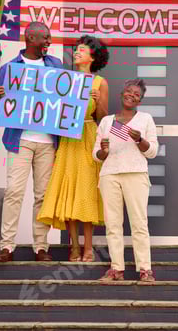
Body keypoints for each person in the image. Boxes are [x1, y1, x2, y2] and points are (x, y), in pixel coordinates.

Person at [0, 22, 63, 262]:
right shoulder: (10, 68)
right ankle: (7, 247)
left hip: (47, 142)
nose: (49, 42)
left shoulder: (55, 65)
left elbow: (65, 98)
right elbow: (2, 106)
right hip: (19, 140)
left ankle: (41, 247)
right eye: (45, 38)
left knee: (42, 195)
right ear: (31, 38)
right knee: (14, 192)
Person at [37, 35, 109, 262]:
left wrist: (97, 101)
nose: (76, 52)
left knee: (87, 191)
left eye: (81, 49)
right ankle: (74, 247)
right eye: (76, 49)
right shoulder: (63, 79)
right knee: (69, 191)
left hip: (88, 137)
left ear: (93, 56)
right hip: (68, 140)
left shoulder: (100, 82)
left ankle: (88, 247)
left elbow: (102, 118)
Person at [93, 78, 158, 282]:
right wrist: (103, 151)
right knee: (113, 224)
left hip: (136, 174)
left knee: (139, 223)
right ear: (121, 94)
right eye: (128, 91)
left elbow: (153, 152)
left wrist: (139, 140)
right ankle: (116, 269)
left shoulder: (145, 119)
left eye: (136, 94)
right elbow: (96, 154)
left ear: (140, 101)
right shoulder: (107, 121)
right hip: (109, 175)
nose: (131, 95)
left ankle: (145, 270)